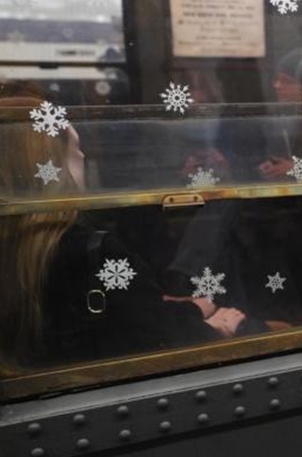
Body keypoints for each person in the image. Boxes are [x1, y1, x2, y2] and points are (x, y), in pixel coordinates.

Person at [0, 95, 246, 372]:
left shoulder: (16, 251)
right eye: (75, 149)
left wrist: (191, 308)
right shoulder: (94, 252)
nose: (83, 156)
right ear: (54, 168)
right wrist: (211, 327)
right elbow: (152, 334)